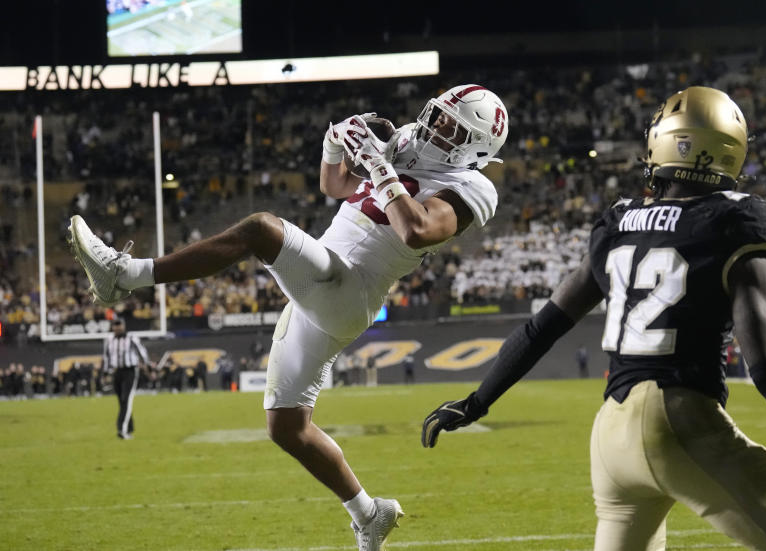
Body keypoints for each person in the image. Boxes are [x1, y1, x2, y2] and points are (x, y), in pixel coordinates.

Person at [422, 86, 766, 550]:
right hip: (681, 422)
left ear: (660, 143)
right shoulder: (737, 220)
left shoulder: (619, 221)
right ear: (730, 151)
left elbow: (543, 325)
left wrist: (476, 401)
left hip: (610, 437)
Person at [67, 84, 509, 550]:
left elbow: (416, 229)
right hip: (321, 279)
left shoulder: (473, 189)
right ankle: (368, 514)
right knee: (286, 425)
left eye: (450, 126)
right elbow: (334, 185)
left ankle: (123, 275)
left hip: (349, 289)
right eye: (437, 115)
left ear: (474, 147)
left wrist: (379, 164)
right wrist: (336, 141)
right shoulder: (402, 140)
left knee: (260, 229)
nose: (434, 125)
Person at [102, 318, 150, 439]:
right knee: (121, 401)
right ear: (112, 327)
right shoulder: (109, 340)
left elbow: (142, 351)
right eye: (115, 325)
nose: (117, 328)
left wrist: (146, 364)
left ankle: (121, 430)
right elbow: (107, 357)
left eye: (119, 325)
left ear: (124, 326)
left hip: (130, 371)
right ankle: (129, 428)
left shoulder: (131, 338)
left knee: (126, 399)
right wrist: (105, 373)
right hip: (117, 371)